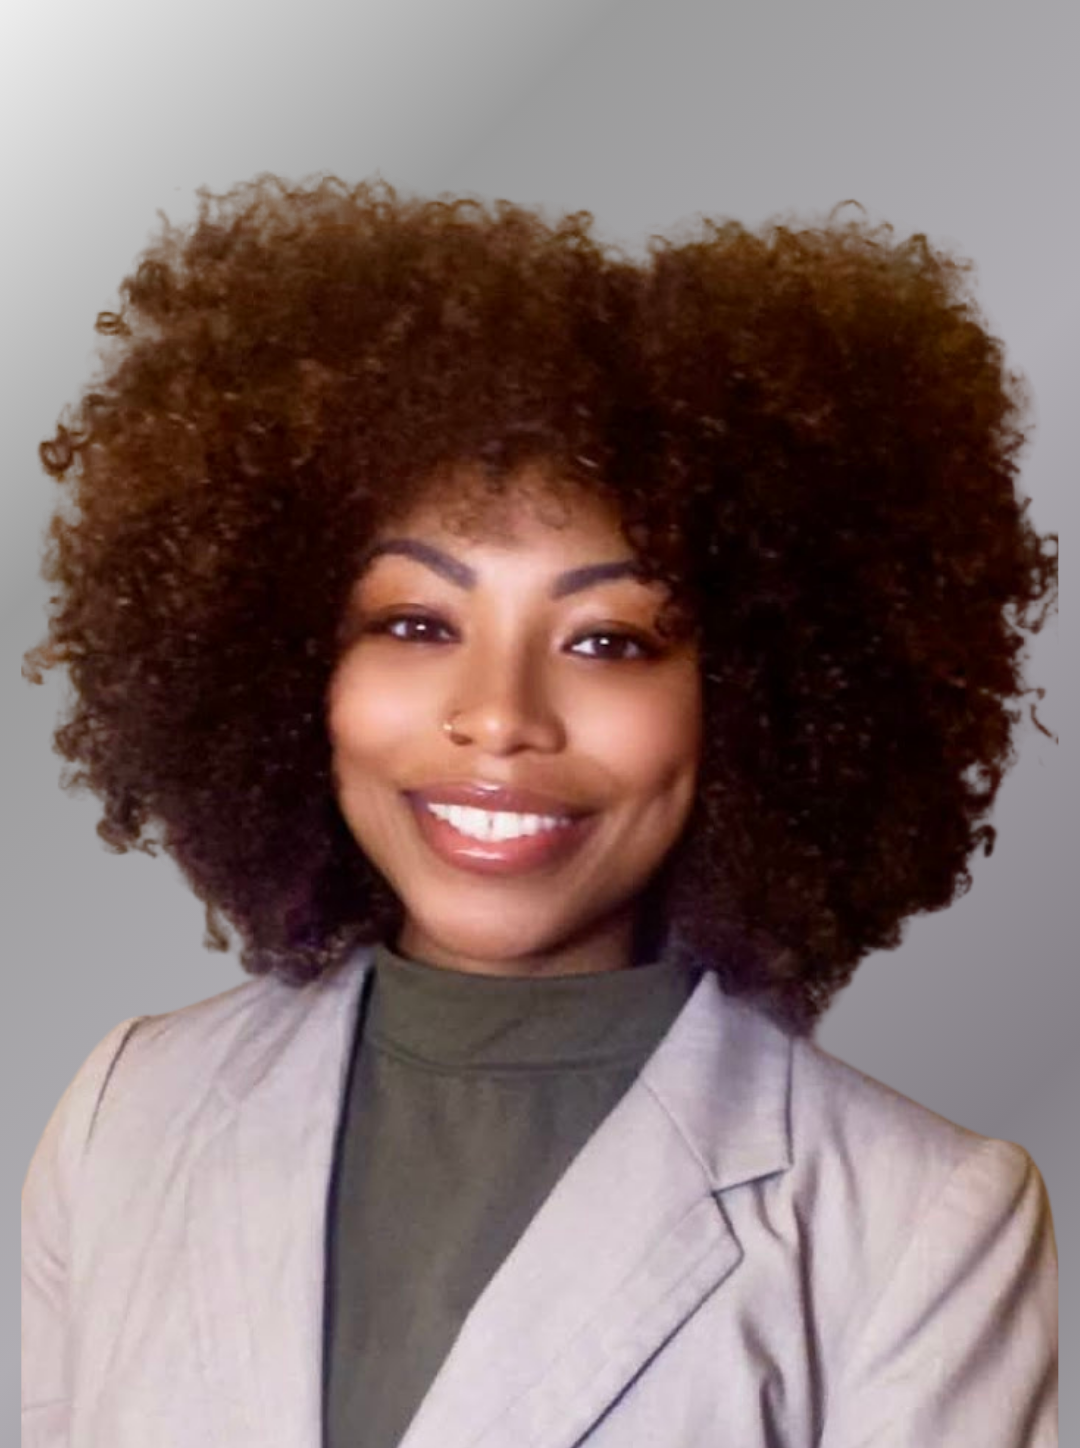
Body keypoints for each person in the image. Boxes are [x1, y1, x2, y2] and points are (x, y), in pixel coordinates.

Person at [21, 177, 1058, 1447]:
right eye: (416, 622)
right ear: (292, 665)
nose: (499, 714)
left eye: (610, 640)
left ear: (756, 695)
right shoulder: (127, 1114)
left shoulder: (919, 1223)